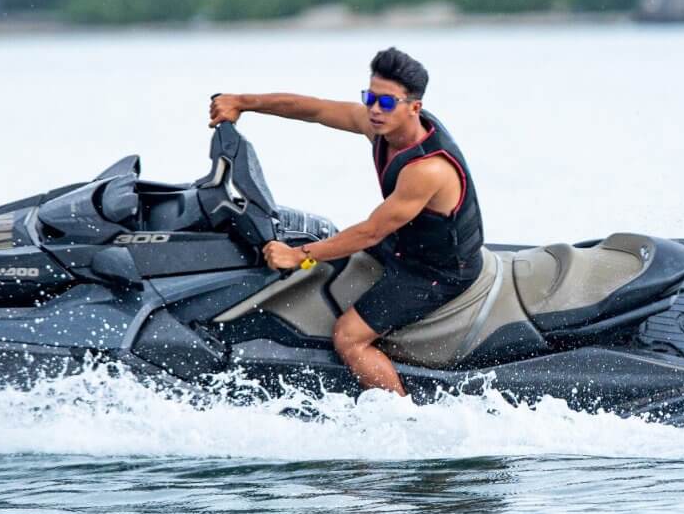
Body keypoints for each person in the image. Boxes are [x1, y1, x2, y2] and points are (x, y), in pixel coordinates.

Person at [207, 47, 484, 396]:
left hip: (437, 271)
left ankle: (403, 421)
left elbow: (371, 231)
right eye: (369, 98)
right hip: (405, 244)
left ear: (414, 107)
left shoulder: (427, 170)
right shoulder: (380, 126)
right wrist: (243, 101)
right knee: (323, 244)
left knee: (349, 337)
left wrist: (299, 256)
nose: (373, 110)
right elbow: (315, 110)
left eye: (385, 103)